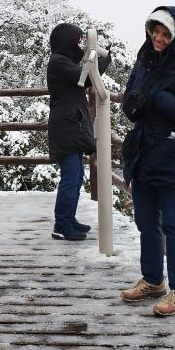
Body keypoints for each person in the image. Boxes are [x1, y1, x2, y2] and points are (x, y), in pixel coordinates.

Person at [119, 6, 175, 317]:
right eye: (155, 31)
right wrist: (133, 101)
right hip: (144, 152)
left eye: (165, 34)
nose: (158, 38)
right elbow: (131, 100)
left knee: (174, 223)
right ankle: (153, 280)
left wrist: (161, 98)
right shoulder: (145, 59)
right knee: (146, 222)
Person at [46, 23, 111, 241]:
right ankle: (61, 224)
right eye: (78, 40)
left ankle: (68, 219)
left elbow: (85, 74)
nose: (80, 44)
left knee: (76, 177)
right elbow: (87, 77)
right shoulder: (58, 62)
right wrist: (103, 58)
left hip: (71, 126)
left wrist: (97, 57)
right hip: (65, 128)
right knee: (70, 177)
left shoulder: (65, 62)